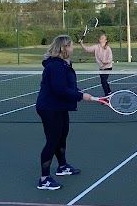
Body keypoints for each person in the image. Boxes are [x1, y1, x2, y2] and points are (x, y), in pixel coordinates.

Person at [36, 35, 100, 190]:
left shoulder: (63, 64)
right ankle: (44, 179)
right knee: (52, 141)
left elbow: (68, 86)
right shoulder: (55, 66)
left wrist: (81, 93)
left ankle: (62, 166)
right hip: (49, 108)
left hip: (60, 106)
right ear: (64, 48)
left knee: (61, 136)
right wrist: (81, 96)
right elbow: (59, 89)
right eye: (71, 46)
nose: (73, 48)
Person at [80, 31, 113, 96]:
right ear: (99, 39)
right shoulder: (96, 47)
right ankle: (109, 92)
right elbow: (88, 49)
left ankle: (107, 96)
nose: (101, 39)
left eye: (103, 38)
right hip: (101, 68)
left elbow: (110, 59)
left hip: (108, 67)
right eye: (101, 38)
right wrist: (82, 44)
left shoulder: (108, 48)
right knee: (103, 81)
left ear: (106, 40)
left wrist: (105, 62)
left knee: (103, 81)